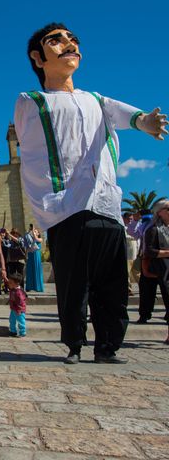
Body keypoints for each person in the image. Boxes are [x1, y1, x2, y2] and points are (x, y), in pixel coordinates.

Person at [14, 22, 167, 364]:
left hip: (106, 204)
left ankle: (108, 344)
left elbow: (123, 113)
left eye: (72, 39)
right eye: (56, 40)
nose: (68, 43)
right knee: (74, 283)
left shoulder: (96, 99)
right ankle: (74, 343)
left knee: (111, 283)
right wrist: (55, 195)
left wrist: (144, 121)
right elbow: (34, 153)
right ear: (38, 58)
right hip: (68, 206)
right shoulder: (32, 101)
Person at [141, 200, 169, 341]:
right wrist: (167, 253)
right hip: (162, 269)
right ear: (159, 212)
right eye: (168, 208)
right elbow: (149, 251)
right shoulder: (152, 229)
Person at [7, 272, 27, 338]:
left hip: (19, 309)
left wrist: (19, 309)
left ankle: (22, 332)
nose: (9, 284)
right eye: (9, 282)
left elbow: (21, 302)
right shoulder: (13, 289)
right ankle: (13, 331)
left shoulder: (19, 292)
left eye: (11, 283)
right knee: (11, 320)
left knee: (21, 321)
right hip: (13, 308)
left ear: (17, 283)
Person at [25, 227, 45, 292]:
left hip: (36, 255)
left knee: (36, 270)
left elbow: (36, 239)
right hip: (30, 255)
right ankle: (29, 287)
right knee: (30, 270)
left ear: (38, 233)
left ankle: (38, 287)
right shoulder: (30, 239)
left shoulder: (40, 239)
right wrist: (26, 255)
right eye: (34, 231)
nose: (34, 232)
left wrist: (33, 231)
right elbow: (27, 248)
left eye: (36, 231)